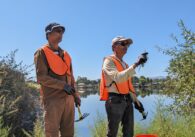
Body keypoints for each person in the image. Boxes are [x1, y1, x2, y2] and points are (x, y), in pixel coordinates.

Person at [34, 22, 81, 137]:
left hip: (69, 101)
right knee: (52, 133)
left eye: (62, 31)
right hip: (53, 100)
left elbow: (71, 78)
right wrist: (63, 86)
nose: (61, 33)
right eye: (57, 31)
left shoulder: (66, 55)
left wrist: (76, 96)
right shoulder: (41, 52)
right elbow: (41, 77)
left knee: (69, 133)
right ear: (48, 34)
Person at [100, 36, 147, 137]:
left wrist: (136, 101)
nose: (126, 46)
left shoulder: (125, 65)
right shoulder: (109, 61)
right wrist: (136, 64)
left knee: (129, 133)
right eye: (123, 44)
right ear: (114, 47)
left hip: (127, 100)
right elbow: (118, 78)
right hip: (115, 101)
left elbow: (128, 86)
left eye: (127, 44)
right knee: (112, 133)